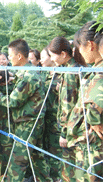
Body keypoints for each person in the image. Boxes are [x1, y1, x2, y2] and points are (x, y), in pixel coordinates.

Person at [0, 38, 51, 181]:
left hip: (28, 125)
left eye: (10, 56)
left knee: (17, 164)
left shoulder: (28, 76)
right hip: (32, 123)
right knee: (37, 160)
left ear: (19, 56)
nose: (8, 59)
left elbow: (12, 101)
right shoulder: (27, 72)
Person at [67, 21, 103, 181]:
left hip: (93, 147)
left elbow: (96, 98)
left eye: (80, 48)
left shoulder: (100, 72)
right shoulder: (96, 68)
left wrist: (94, 118)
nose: (80, 53)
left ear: (90, 45)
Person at [48, 36, 86, 181]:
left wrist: (64, 132)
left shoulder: (70, 73)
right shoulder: (72, 68)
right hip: (76, 127)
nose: (52, 60)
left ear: (63, 54)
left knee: (68, 170)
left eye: (53, 56)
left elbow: (68, 106)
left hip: (71, 129)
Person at [40, 46, 62, 181]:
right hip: (45, 120)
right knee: (46, 151)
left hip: (56, 121)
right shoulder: (45, 74)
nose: (41, 60)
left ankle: (56, 178)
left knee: (55, 153)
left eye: (43, 57)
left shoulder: (62, 74)